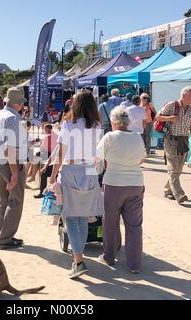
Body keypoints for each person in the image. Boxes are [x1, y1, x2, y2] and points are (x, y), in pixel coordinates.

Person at [50, 91, 104, 279]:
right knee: (81, 215)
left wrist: (53, 174)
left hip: (71, 169)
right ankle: (78, 258)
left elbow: (60, 153)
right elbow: (98, 153)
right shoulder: (97, 125)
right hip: (89, 169)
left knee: (71, 216)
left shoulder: (69, 124)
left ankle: (78, 260)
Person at [96, 108, 146, 273]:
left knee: (110, 222)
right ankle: (134, 264)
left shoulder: (109, 136)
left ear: (114, 122)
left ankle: (109, 257)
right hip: (135, 183)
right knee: (134, 226)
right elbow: (141, 159)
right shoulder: (138, 137)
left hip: (114, 183)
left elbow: (97, 158)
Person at [0, 87, 27, 250]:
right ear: (18, 103)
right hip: (11, 162)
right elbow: (10, 148)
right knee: (15, 201)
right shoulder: (14, 119)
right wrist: (14, 173)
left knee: (4, 200)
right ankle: (4, 238)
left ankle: (2, 234)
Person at [155, 86, 191, 205]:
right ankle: (179, 194)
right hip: (170, 139)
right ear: (184, 95)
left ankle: (168, 190)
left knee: (178, 169)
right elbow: (157, 117)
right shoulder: (171, 105)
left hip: (183, 140)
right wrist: (169, 118)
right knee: (173, 167)